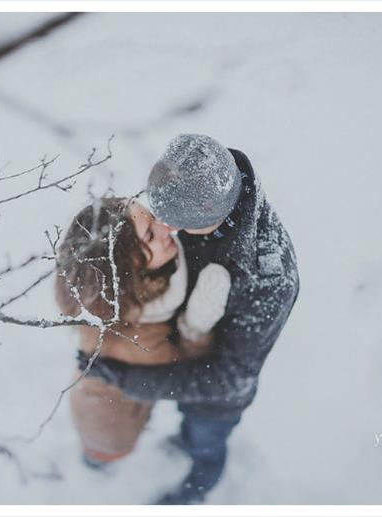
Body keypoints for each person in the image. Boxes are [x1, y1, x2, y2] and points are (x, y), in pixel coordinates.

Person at [83, 134, 300, 504]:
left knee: (205, 443)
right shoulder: (197, 177)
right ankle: (181, 440)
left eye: (175, 224)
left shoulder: (269, 280)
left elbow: (231, 380)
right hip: (176, 354)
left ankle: (193, 492)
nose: (167, 231)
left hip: (214, 401)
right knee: (187, 431)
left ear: (208, 214)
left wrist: (132, 380)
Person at [56, 198, 231, 467]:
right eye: (150, 234)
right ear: (128, 268)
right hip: (110, 425)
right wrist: (196, 325)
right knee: (104, 453)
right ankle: (97, 464)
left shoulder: (104, 295)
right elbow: (191, 370)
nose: (166, 228)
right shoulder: (133, 342)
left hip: (98, 400)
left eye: (151, 216)